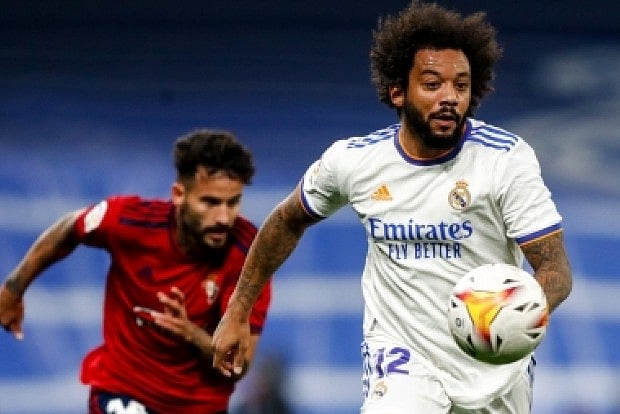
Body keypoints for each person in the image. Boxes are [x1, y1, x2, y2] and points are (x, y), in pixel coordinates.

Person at [211, 1, 572, 413]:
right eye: (432, 84)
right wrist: (237, 311)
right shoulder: (355, 161)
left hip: (494, 367)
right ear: (397, 91)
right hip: (402, 361)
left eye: (461, 86)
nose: (450, 98)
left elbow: (555, 271)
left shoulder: (505, 160)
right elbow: (286, 221)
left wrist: (513, 315)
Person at [0, 129, 272, 414]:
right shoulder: (131, 220)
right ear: (179, 194)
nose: (224, 218)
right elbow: (71, 227)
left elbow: (239, 365)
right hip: (124, 390)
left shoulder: (250, 257)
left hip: (200, 406)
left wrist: (191, 334)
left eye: (233, 203)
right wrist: (13, 289)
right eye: (210, 202)